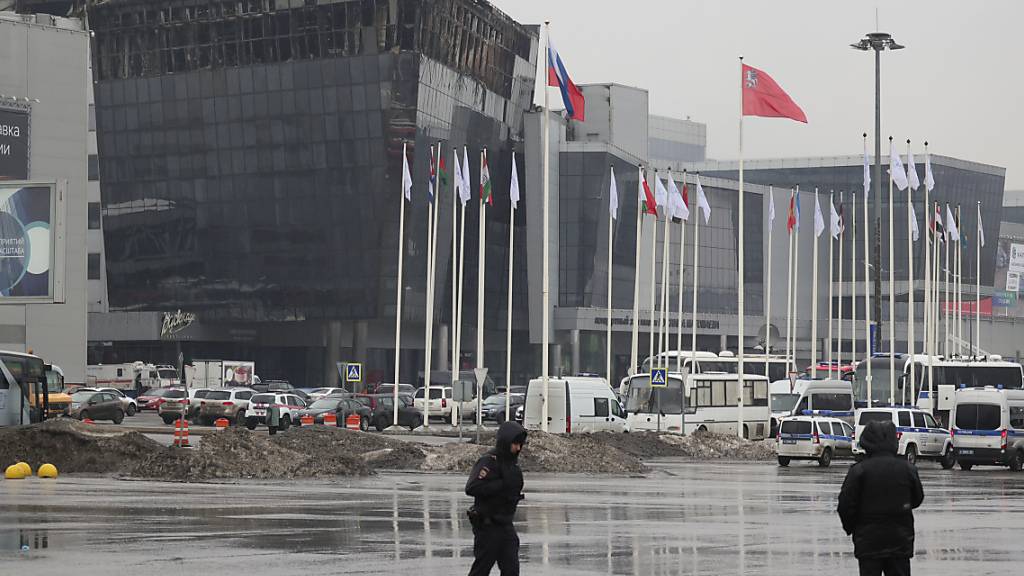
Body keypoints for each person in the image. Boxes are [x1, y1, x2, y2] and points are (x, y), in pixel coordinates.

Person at [838, 420, 924, 576]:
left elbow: (845, 504)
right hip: (899, 541)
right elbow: (917, 498)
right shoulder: (907, 469)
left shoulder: (859, 471)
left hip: (868, 542)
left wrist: (852, 528)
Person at [465, 421, 527, 576]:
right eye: (515, 444)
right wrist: (501, 484)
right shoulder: (489, 461)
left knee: (511, 569)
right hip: (487, 526)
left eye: (520, 445)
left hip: (505, 525)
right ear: (506, 442)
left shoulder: (512, 465)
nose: (518, 449)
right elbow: (472, 487)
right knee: (482, 568)